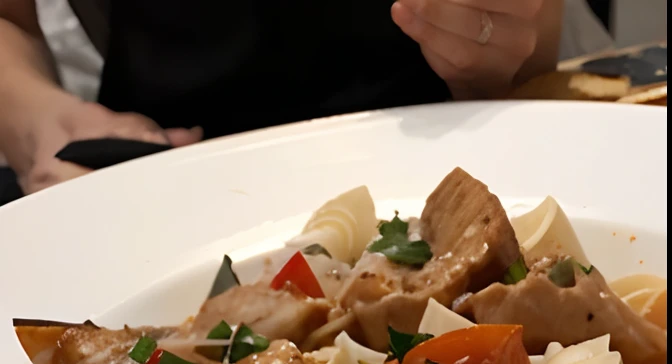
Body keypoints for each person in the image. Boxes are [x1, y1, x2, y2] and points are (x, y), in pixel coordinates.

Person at [0, 0, 564, 198]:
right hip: (157, 175)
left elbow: (533, 45)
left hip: (443, 157)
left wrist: (496, 45)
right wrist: (43, 123)